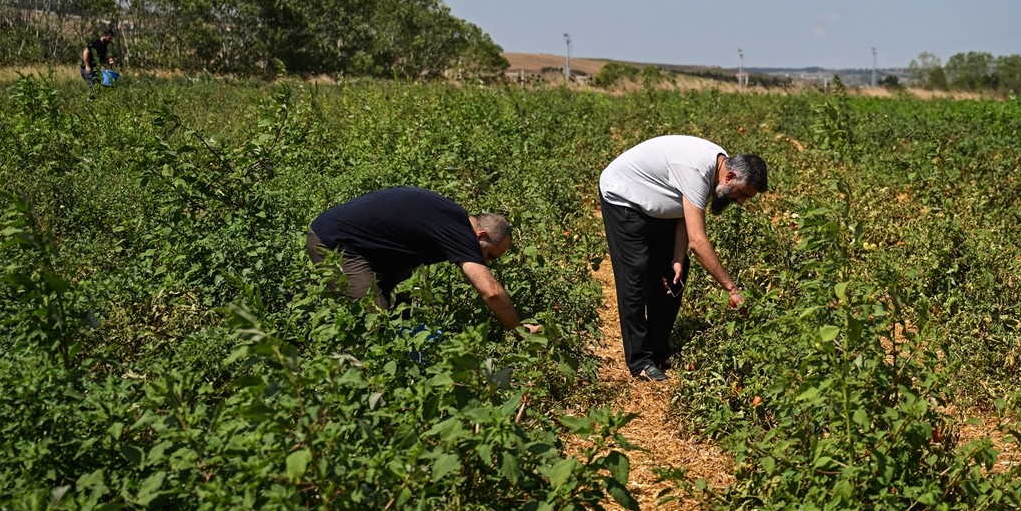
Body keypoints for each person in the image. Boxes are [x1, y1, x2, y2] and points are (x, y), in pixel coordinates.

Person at [599, 135, 767, 382]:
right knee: (635, 273)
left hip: (658, 206)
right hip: (624, 197)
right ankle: (640, 360)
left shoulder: (721, 167)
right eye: (743, 195)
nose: (741, 202)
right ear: (730, 177)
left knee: (675, 272)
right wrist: (732, 289)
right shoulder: (696, 171)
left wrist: (678, 255)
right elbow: (698, 242)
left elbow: (683, 207)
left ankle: (659, 348)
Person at [306, 186, 541, 334]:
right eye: (489, 254)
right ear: (482, 235)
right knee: (376, 325)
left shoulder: (455, 219)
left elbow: (404, 243)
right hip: (335, 242)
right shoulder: (460, 233)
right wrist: (520, 330)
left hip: (367, 246)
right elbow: (491, 292)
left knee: (400, 313)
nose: (486, 262)